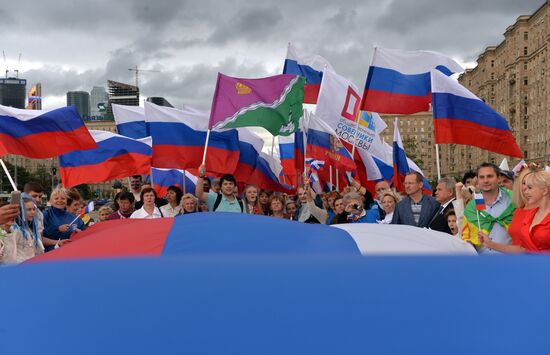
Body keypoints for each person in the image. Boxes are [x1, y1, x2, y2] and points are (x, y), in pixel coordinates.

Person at [479, 169, 550, 253]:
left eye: (530, 187)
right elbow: (523, 249)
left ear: (544, 190)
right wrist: (490, 244)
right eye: (524, 185)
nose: (525, 190)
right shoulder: (531, 214)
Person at [461, 162, 516, 253]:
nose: (485, 180)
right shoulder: (471, 207)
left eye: (490, 176)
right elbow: (466, 236)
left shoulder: (513, 200)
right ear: (478, 180)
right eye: (481, 177)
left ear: (498, 178)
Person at [42, 187, 86, 252]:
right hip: (50, 254)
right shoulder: (45, 215)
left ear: (66, 201)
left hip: (70, 252)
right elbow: (39, 235)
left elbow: (84, 230)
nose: (59, 200)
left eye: (63, 198)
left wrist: (80, 233)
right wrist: (58, 229)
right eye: (56, 198)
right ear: (50, 201)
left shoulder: (73, 217)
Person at [11, 196, 45, 262]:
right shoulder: (14, 230)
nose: (33, 212)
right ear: (20, 211)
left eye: (33, 209)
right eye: (29, 210)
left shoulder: (31, 228)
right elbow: (11, 255)